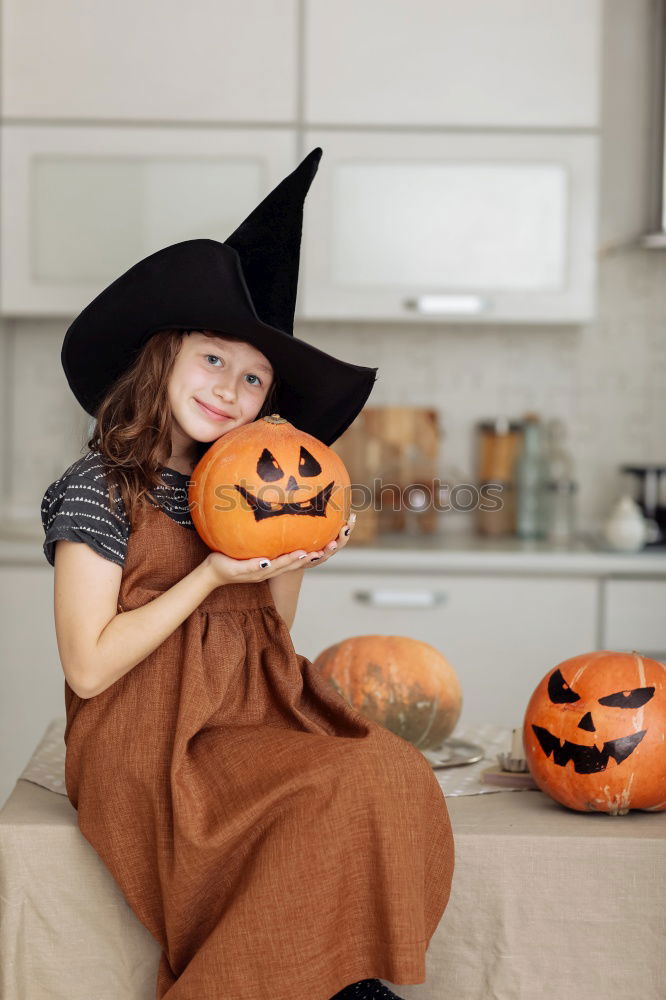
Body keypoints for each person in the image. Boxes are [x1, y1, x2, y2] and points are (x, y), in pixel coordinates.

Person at [40, 148, 455, 1000]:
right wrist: (209, 578)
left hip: (244, 707)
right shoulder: (100, 487)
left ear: (270, 406)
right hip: (141, 734)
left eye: (254, 377)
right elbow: (88, 665)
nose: (230, 389)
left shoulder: (248, 489)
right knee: (317, 793)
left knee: (385, 771)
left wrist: (289, 562)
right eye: (214, 360)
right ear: (165, 357)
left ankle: (345, 973)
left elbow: (270, 634)